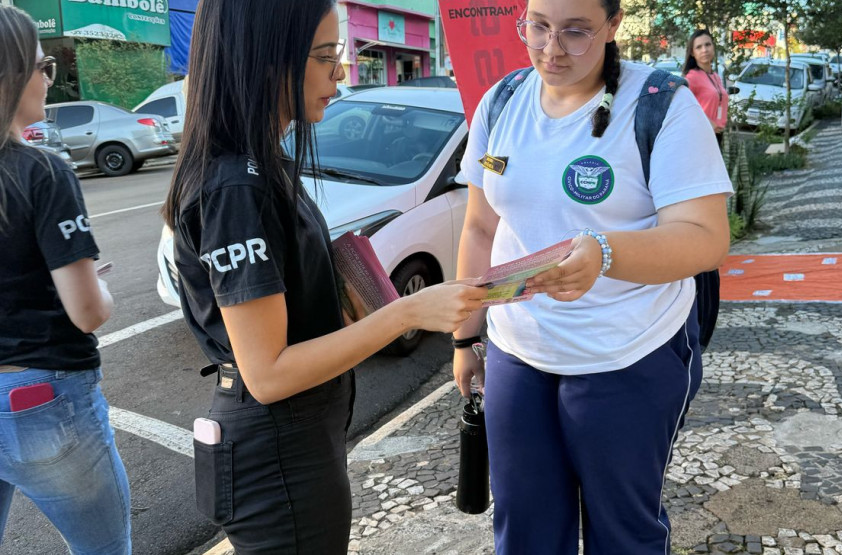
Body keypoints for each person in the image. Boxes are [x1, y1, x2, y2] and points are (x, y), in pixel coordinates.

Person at [161, 1, 486, 553]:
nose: (340, 73)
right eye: (323, 56)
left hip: (299, 438)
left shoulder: (261, 163)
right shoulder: (237, 187)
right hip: (277, 451)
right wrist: (405, 313)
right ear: (264, 60)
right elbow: (268, 373)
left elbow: (296, 321)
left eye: (339, 54)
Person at [451, 0, 733, 553]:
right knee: (524, 528)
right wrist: (465, 337)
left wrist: (605, 254)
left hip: (628, 354)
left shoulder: (660, 105)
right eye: (538, 27)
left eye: (576, 32)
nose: (552, 49)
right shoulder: (502, 101)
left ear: (613, 25)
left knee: (624, 532)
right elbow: (480, 228)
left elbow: (705, 238)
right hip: (518, 353)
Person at [0, 6, 131, 554]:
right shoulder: (42, 171)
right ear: (7, 77)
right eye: (41, 65)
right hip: (41, 397)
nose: (48, 78)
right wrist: (97, 284)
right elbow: (88, 312)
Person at [683, 29, 729, 146]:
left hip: (717, 136)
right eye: (699, 47)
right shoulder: (692, 77)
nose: (704, 50)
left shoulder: (715, 76)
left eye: (707, 45)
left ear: (713, 47)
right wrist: (708, 122)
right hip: (700, 136)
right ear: (692, 52)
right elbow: (683, 107)